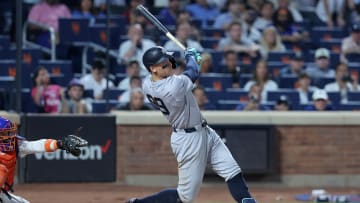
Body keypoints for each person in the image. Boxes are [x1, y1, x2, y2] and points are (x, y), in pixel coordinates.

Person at [125, 46, 257, 203]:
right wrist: (193, 57)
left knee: (233, 171)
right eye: (163, 64)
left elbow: (191, 70)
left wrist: (193, 59)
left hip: (204, 131)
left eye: (168, 61)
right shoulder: (172, 87)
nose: (168, 65)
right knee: (185, 197)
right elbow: (193, 72)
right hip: (188, 140)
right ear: (153, 69)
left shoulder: (148, 82)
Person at [0, 116, 87, 202]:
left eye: (9, 133)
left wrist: (61, 144)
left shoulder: (16, 145)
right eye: (4, 134)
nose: (9, 137)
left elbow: (35, 145)